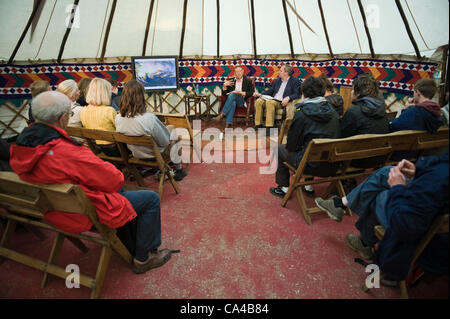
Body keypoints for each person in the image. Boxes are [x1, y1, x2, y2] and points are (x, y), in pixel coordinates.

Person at [9, 91, 173, 274]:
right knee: (150, 198)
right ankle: (143, 258)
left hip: (50, 208)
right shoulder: (67, 151)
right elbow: (115, 180)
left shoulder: (20, 146)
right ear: (63, 118)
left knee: (122, 193)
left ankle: (130, 241)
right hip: (83, 211)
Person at [314, 152, 448, 282]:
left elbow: (406, 224)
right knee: (386, 172)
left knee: (379, 196)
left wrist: (397, 188)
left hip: (424, 239)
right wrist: (418, 172)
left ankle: (363, 240)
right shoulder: (441, 171)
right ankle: (342, 205)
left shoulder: (441, 174)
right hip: (430, 219)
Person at [269, 75, 340, 198]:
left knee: (279, 149)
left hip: (310, 165)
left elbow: (291, 145)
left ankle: (284, 188)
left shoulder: (301, 114)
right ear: (323, 92)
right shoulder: (333, 112)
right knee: (311, 146)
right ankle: (308, 186)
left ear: (304, 93)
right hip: (332, 163)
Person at [115, 80, 187, 181]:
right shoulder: (149, 118)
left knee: (169, 129)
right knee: (173, 132)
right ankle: (178, 170)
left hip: (136, 155)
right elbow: (165, 142)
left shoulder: (118, 118)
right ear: (141, 98)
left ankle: (153, 169)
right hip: (155, 155)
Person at [253, 65, 301, 133]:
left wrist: (288, 98)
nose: (279, 72)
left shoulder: (295, 81)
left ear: (286, 73)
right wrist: (260, 94)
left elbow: (297, 94)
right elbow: (271, 90)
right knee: (259, 101)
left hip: (281, 102)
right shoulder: (277, 80)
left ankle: (269, 128)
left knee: (269, 102)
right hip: (273, 98)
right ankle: (258, 125)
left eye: (280, 71)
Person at [80, 78, 120, 157]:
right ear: (105, 93)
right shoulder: (109, 111)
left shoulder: (83, 111)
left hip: (98, 148)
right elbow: (121, 131)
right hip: (116, 150)